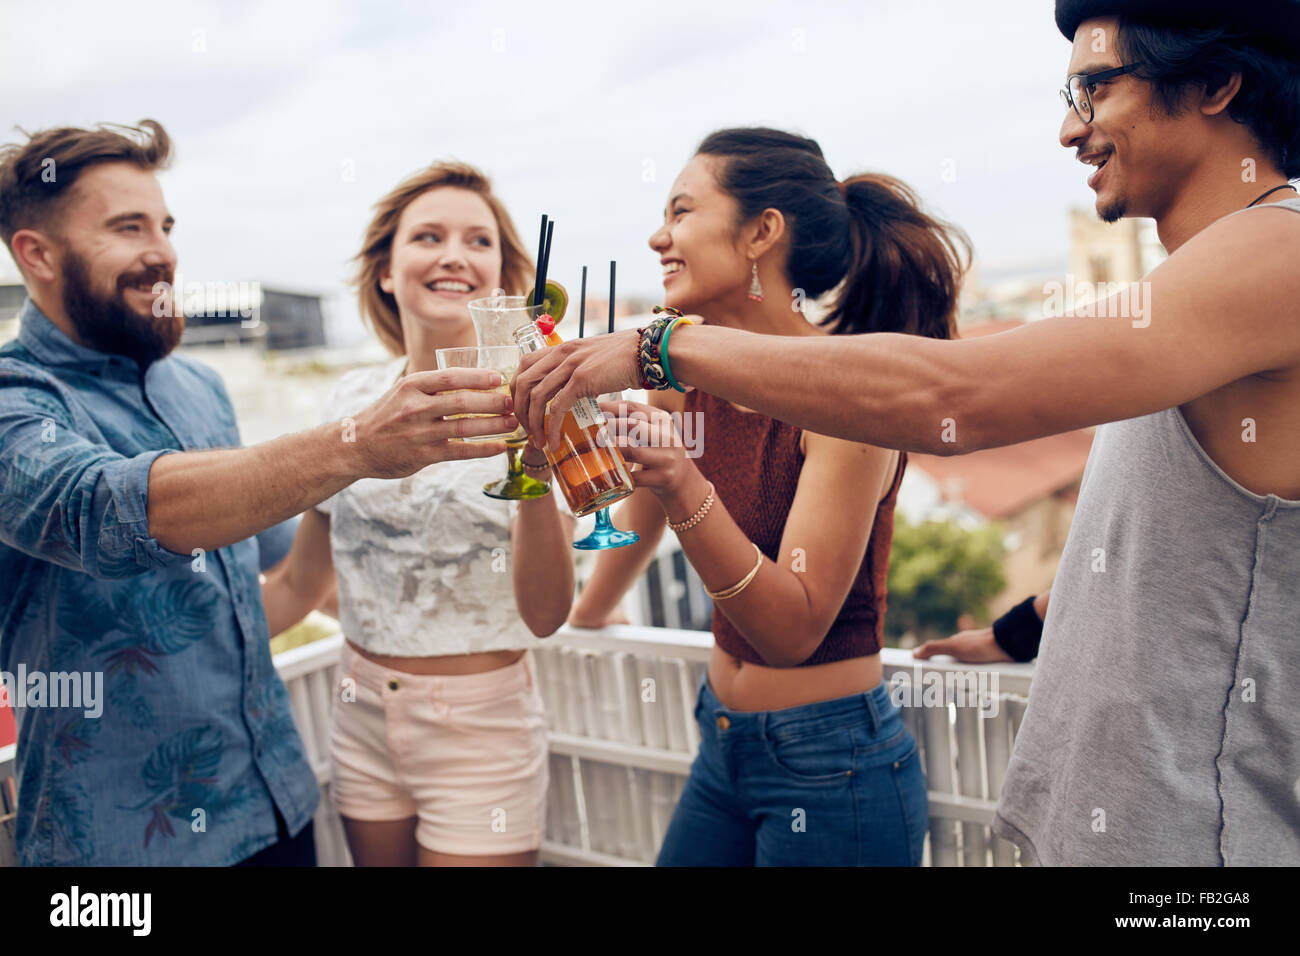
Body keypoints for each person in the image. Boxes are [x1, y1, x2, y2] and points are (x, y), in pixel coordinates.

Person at [514, 2, 1300, 865]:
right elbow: (1175, 539)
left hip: (1202, 841)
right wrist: (1021, 632)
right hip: (1137, 817)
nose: (1072, 127)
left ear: (1220, 82)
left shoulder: (1279, 255)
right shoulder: (1204, 289)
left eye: (1096, 86)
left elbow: (954, 392)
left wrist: (662, 347)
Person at [0, 120, 517, 865]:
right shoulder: (15, 400)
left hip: (276, 809)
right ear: (36, 254)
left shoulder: (199, 388)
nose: (163, 252)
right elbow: (104, 510)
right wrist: (360, 443)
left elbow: (282, 561)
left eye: (165, 225)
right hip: (121, 851)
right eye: (127, 227)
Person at [568, 128, 971, 866]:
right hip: (720, 742)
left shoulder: (849, 400)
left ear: (761, 232)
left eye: (682, 211)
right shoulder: (685, 371)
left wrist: (681, 476)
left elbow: (793, 630)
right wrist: (590, 612)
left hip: (833, 766)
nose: (660, 236)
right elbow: (650, 506)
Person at [262, 162, 575, 867]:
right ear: (385, 270)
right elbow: (296, 586)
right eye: (428, 236)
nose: (454, 255)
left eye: (478, 241)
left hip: (482, 727)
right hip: (360, 710)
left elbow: (548, 612)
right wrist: (178, 640)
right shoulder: (347, 398)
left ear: (503, 278)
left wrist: (538, 461)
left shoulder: (534, 401)